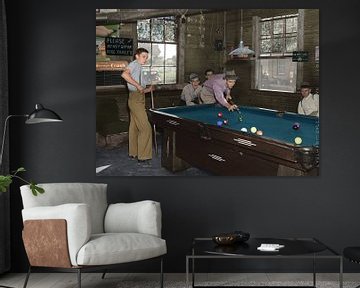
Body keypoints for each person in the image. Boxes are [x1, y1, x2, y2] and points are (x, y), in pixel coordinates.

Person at [121, 48, 154, 164]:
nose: (145, 59)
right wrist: (138, 86)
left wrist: (147, 89)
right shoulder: (134, 64)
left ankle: (133, 152)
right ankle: (143, 156)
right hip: (135, 100)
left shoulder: (138, 67)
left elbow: (138, 89)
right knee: (146, 128)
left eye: (146, 57)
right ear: (137, 56)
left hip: (137, 98)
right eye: (143, 56)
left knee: (134, 127)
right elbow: (124, 75)